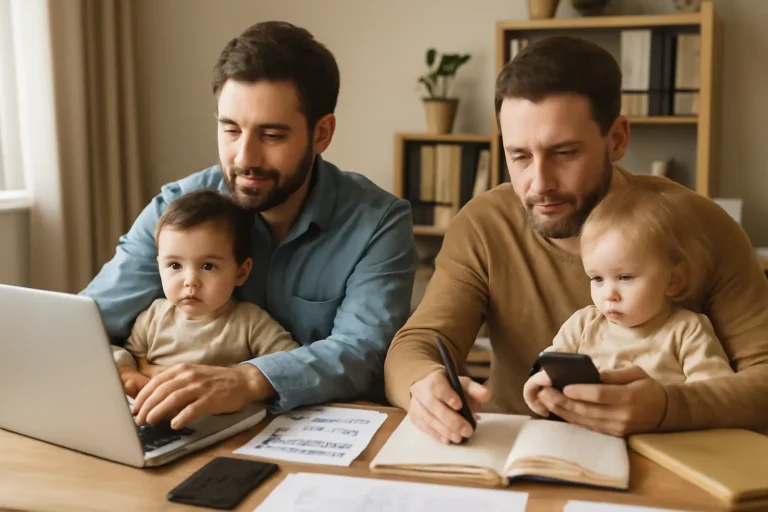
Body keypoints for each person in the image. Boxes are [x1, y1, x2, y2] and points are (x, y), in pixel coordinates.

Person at [383, 35, 768, 445]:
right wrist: (422, 385)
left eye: (564, 153)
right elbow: (418, 344)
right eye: (520, 156)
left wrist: (667, 408)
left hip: (670, 466)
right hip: (525, 457)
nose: (539, 184)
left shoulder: (702, 225)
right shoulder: (484, 224)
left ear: (617, 138)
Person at [80, 21, 417, 430]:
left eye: (272, 135)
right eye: (230, 130)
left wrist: (246, 379)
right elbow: (90, 320)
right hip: (180, 428)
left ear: (321, 133)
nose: (244, 157)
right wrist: (121, 369)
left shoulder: (378, 222)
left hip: (320, 436)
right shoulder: (176, 207)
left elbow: (365, 353)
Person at [523, 185, 735, 418]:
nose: (609, 294)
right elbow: (549, 369)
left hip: (659, 443)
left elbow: (712, 396)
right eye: (597, 278)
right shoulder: (583, 324)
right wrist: (540, 390)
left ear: (673, 280)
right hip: (585, 436)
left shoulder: (687, 330)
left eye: (625, 277)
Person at [115, 190, 299, 398]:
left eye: (208, 266)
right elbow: (129, 355)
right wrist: (131, 372)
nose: (190, 280)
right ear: (159, 266)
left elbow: (290, 363)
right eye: (175, 265)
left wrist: (236, 376)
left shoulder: (250, 322)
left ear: (241, 272)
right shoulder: (153, 317)